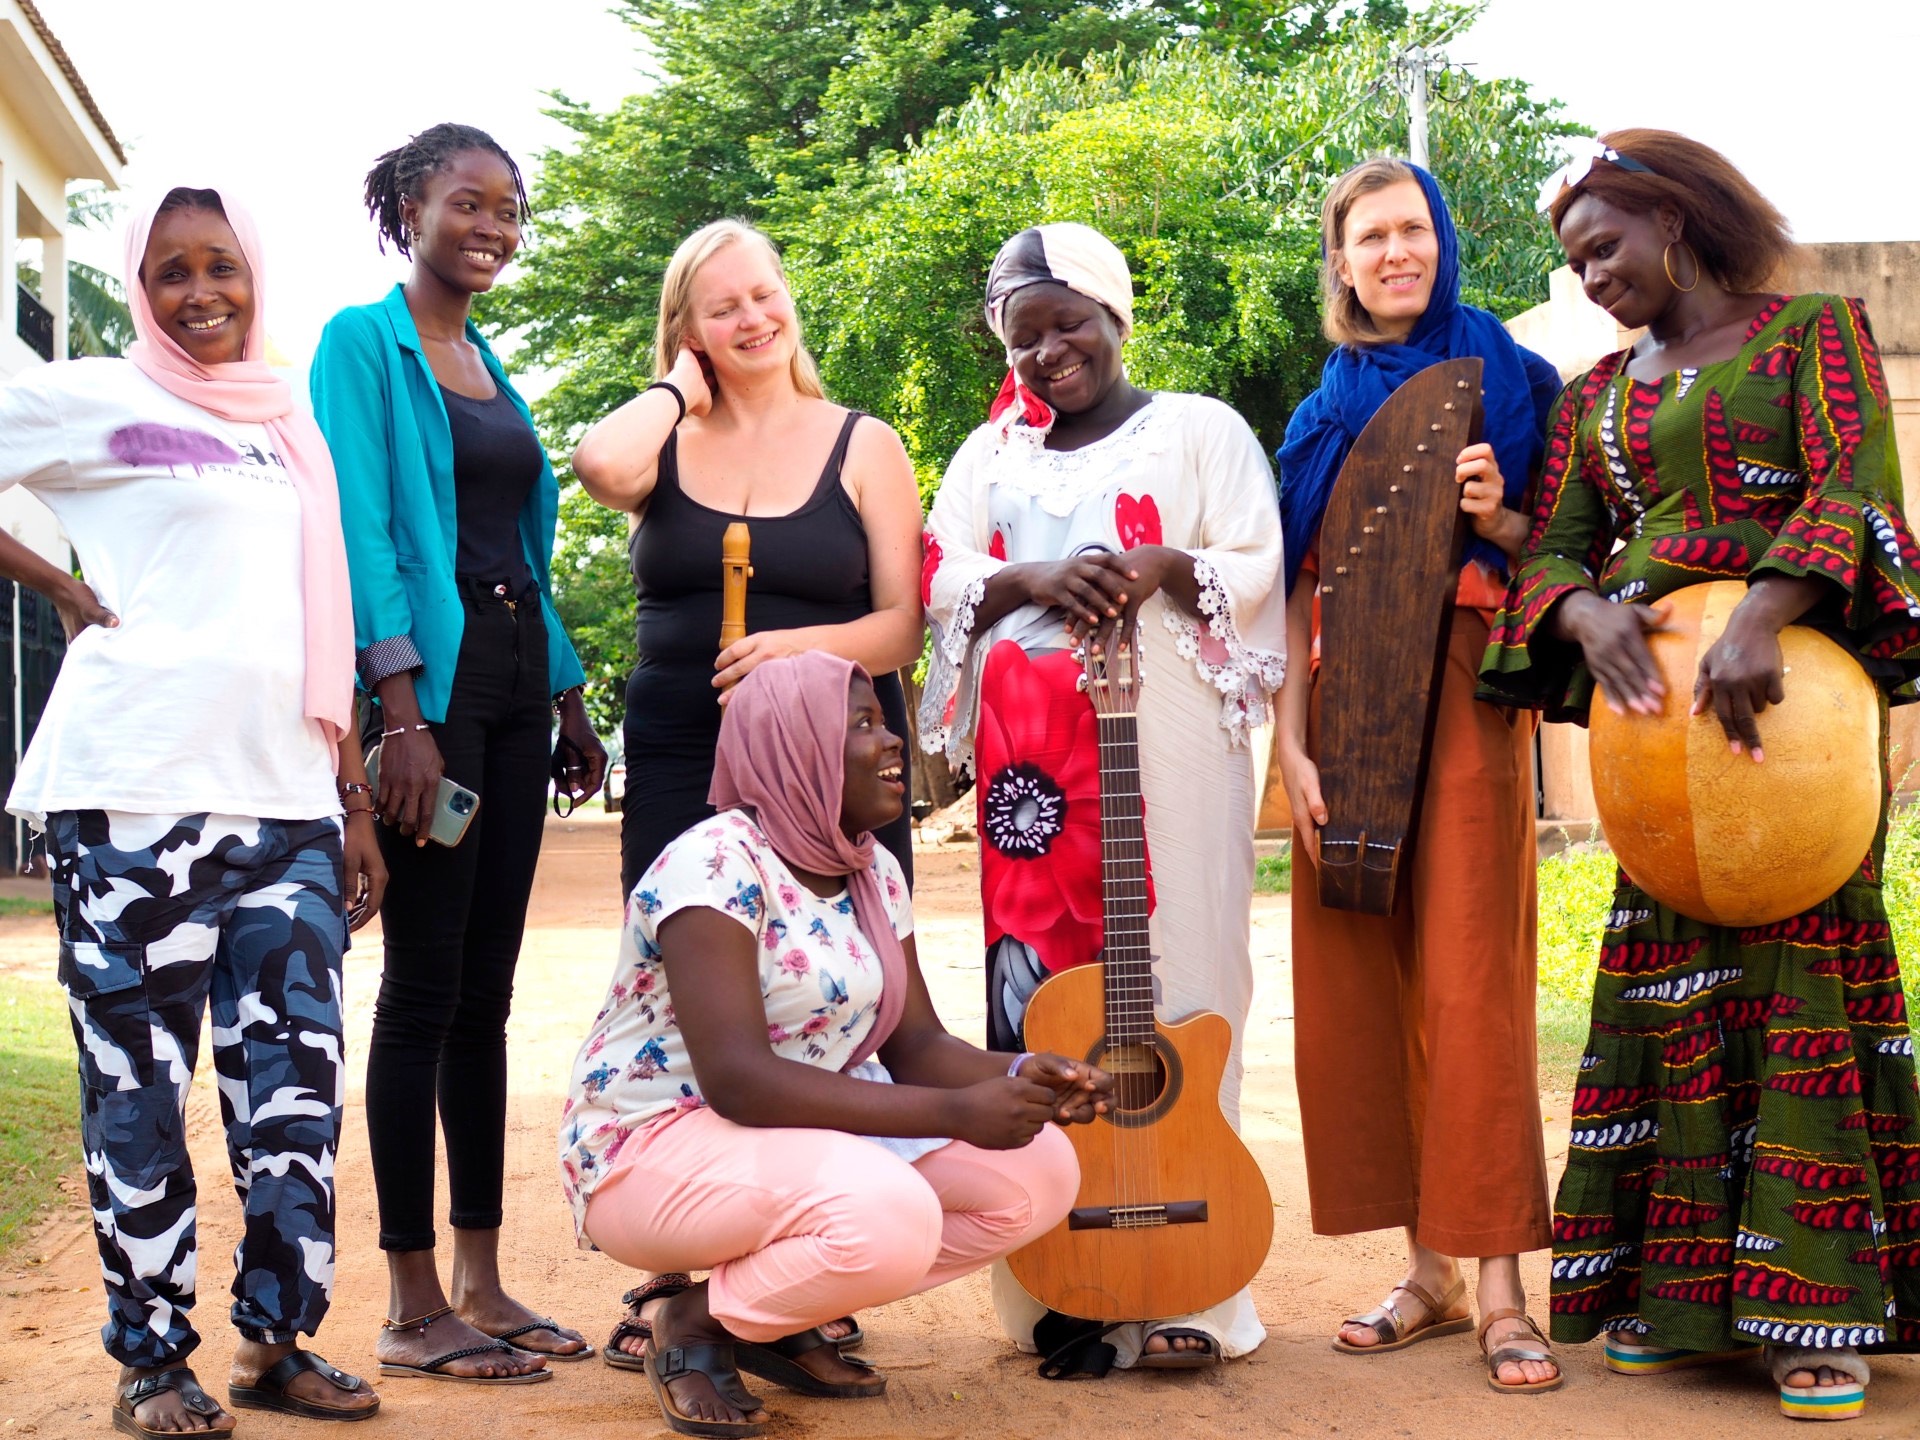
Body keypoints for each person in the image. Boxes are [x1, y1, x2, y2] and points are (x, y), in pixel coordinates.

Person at [1482, 128, 1920, 1422]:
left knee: (1801, 996)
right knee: (1675, 1005)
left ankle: (1814, 1314)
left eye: (1605, 245)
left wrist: (1761, 613)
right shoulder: (1595, 398)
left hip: (1795, 732)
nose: (1593, 278)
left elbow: (1860, 487)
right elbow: (1553, 548)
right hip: (1652, 755)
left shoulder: (1812, 337)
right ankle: (1676, 1302)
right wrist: (1584, 616)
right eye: (1574, 263)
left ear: (1673, 218)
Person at [0, 186, 384, 1435]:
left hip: (288, 807)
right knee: (138, 1093)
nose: (200, 291)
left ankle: (275, 1344)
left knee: (295, 1097)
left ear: (256, 273)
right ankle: (151, 1361)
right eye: (171, 270)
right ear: (140, 283)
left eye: (222, 265)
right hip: (134, 801)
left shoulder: (286, 423)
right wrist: (60, 582)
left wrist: (353, 803)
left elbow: (313, 615)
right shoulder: (100, 395)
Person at [560, 651, 1101, 1437]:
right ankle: (694, 1322)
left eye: (885, 721)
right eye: (860, 724)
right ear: (794, 744)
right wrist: (957, 1110)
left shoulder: (869, 868)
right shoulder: (713, 864)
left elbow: (916, 1043)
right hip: (650, 1146)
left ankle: (776, 1312)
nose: (891, 743)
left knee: (1038, 1173)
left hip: (792, 1134)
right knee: (889, 1212)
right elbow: (739, 1079)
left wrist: (1026, 1075)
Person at [919, 222, 1286, 1370]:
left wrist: (1170, 569)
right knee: (1041, 1013)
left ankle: (1200, 1289)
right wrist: (1029, 575)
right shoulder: (989, 460)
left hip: (1166, 751)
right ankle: (1057, 1287)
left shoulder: (1201, 430)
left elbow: (1258, 562)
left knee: (1182, 986)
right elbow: (937, 574)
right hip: (1032, 786)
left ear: (1116, 315)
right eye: (1023, 336)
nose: (1047, 351)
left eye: (1067, 321)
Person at [309, 123, 608, 1383]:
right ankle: (409, 1297)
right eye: (467, 202)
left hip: (511, 685)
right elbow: (362, 526)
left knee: (486, 995)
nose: (492, 225)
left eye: (510, 209)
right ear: (408, 209)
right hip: (425, 693)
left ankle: (484, 1282)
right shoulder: (360, 345)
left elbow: (520, 552)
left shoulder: (490, 364)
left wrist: (571, 687)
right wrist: (399, 710)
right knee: (423, 994)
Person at [1273, 158, 1565, 1394]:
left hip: (1460, 696)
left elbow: (1567, 554)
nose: (1399, 252)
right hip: (1341, 709)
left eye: (1415, 230)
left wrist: (1500, 517)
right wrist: (1286, 742)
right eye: (1371, 236)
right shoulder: (1321, 412)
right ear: (1339, 262)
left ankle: (1502, 1287)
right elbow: (1291, 591)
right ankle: (1430, 1272)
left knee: (1470, 980)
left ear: (1442, 239)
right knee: (1364, 983)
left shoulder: (1513, 377)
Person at [571, 218, 924, 901]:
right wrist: (678, 387)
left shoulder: (867, 444)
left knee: (845, 981)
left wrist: (791, 655)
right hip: (680, 754)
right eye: (724, 309)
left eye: (765, 295)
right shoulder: (661, 442)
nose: (753, 318)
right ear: (690, 333)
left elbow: (905, 626)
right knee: (682, 978)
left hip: (832, 759)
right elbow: (598, 463)